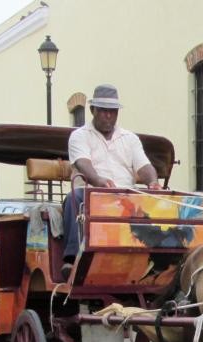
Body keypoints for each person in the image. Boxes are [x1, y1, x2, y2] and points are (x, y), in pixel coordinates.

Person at [61, 83, 162, 279]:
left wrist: (153, 181)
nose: (109, 116)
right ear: (93, 110)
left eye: (113, 112)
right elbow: (82, 162)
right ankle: (72, 259)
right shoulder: (79, 136)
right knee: (76, 196)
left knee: (157, 205)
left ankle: (159, 259)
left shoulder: (130, 139)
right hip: (92, 193)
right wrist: (98, 180)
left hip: (126, 196)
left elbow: (144, 166)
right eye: (104, 111)